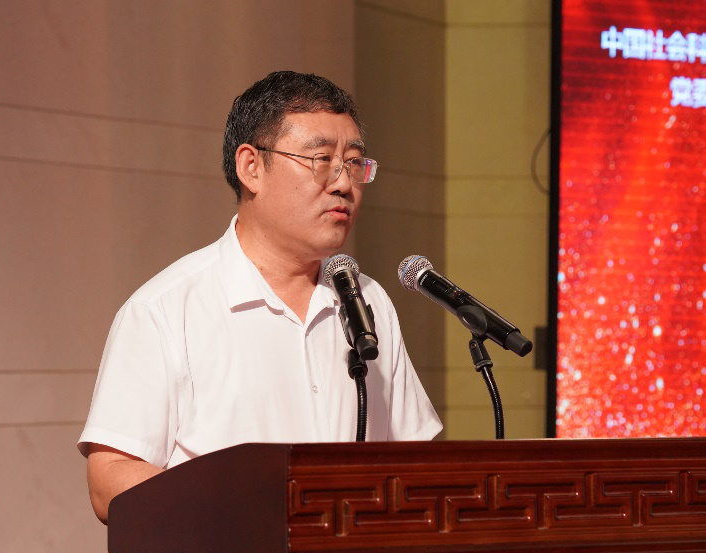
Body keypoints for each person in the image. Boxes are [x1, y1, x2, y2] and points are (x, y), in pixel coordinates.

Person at [78, 71, 442, 524]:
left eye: (353, 163)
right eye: (321, 160)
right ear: (251, 167)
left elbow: (414, 459)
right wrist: (240, 511)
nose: (344, 184)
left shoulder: (368, 301)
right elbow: (110, 481)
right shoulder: (165, 310)